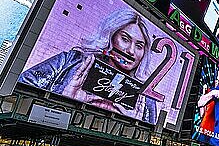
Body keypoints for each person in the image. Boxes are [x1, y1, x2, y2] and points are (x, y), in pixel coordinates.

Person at [19, 9, 157, 124]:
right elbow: (16, 91)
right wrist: (63, 101)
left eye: (139, 46)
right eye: (125, 39)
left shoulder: (146, 98)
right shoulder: (70, 61)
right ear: (110, 36)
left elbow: (151, 138)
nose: (131, 51)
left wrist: (133, 125)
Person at [193, 66, 219, 146]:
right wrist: (207, 95)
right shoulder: (215, 91)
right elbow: (200, 104)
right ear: (218, 77)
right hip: (209, 132)